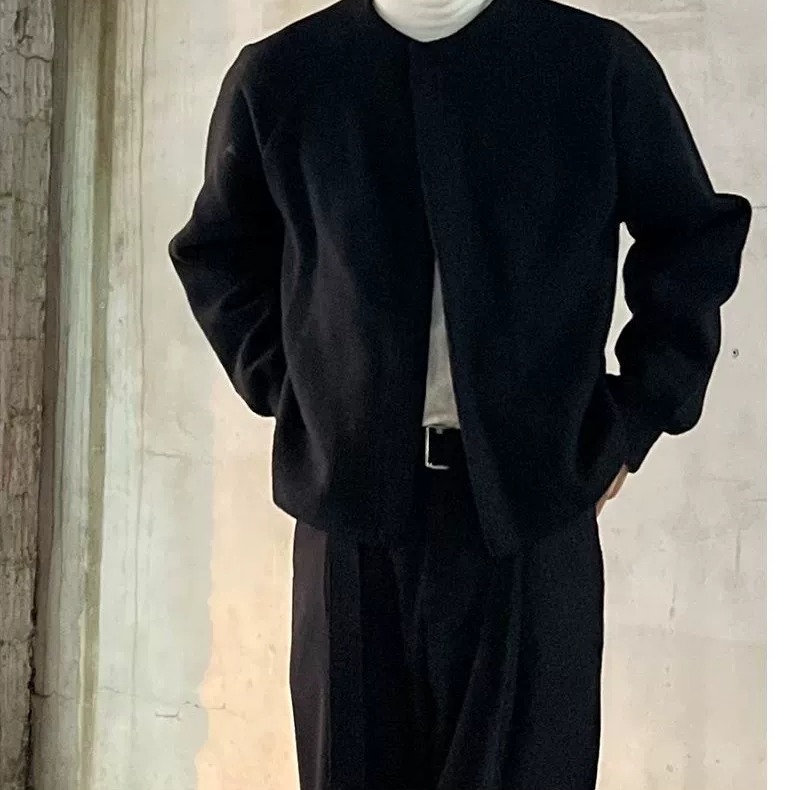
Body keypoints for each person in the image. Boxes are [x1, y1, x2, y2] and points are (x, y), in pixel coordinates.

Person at [168, 0, 752, 786]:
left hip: (533, 514)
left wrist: (635, 417)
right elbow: (217, 256)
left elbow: (693, 238)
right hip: (351, 526)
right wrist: (305, 397)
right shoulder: (283, 76)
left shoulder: (593, 66)